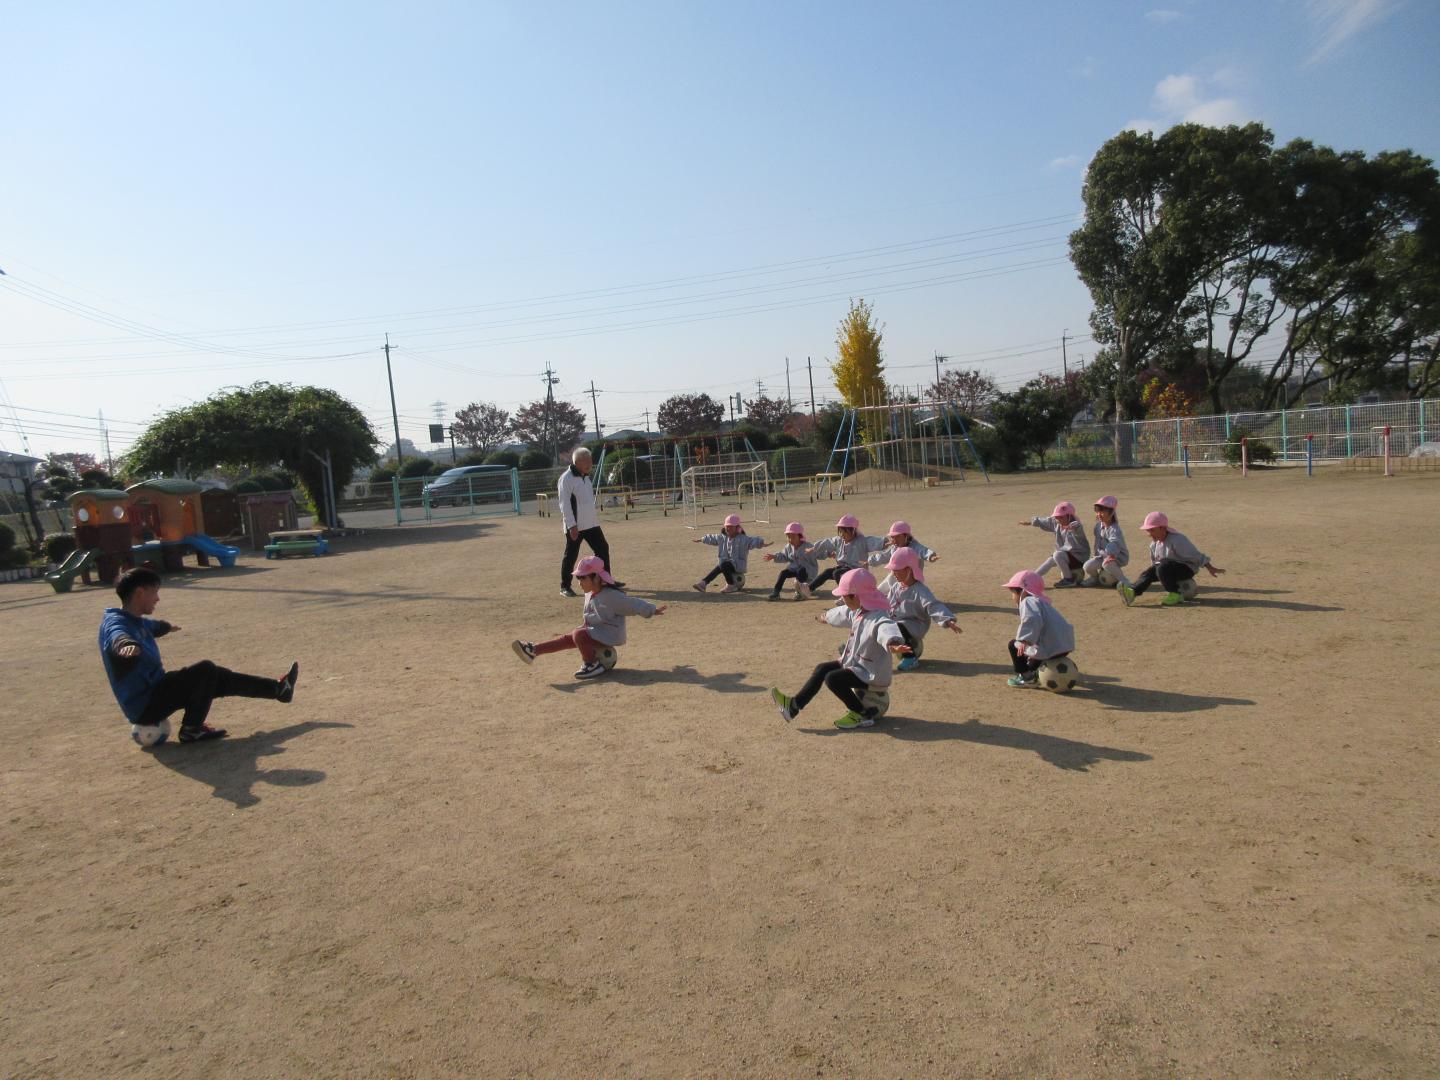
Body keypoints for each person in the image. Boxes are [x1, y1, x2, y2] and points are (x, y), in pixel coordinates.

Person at [99, 566, 300, 745]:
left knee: (216, 676)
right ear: (140, 593)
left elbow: (151, 626)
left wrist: (166, 627)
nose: (158, 598)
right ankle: (191, 729)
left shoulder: (134, 619)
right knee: (205, 670)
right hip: (144, 704)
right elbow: (118, 635)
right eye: (155, 592)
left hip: (156, 690)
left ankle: (278, 689)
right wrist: (125, 645)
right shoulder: (116, 623)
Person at [768, 568, 907, 730]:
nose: (842, 599)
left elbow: (886, 627)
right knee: (822, 669)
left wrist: (892, 642)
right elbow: (842, 613)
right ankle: (793, 706)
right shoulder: (859, 609)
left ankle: (862, 714)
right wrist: (825, 617)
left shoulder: (878, 617)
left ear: (856, 596)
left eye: (844, 596)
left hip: (871, 674)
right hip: (857, 666)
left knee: (833, 679)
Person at [512, 555, 666, 680]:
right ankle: (534, 651)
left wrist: (651, 610)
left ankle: (592, 664)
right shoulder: (590, 593)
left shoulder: (611, 596)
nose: (579, 583)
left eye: (583, 578)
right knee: (571, 637)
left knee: (578, 634)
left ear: (597, 578)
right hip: (597, 631)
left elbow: (632, 603)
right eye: (578, 578)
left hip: (610, 634)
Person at [1119, 511, 1226, 607]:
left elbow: (1196, 555)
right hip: (1166, 569)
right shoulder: (1153, 545)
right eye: (1148, 530)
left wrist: (1210, 568)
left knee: (1162, 564)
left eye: (1152, 530)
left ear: (1162, 528)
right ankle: (1132, 592)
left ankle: (1176, 594)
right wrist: (1156, 574)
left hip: (1186, 569)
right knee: (1149, 572)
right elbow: (1155, 566)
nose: (1149, 534)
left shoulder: (1177, 540)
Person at [879, 547, 961, 671]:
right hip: (897, 621)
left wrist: (947, 620)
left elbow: (933, 605)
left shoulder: (920, 590)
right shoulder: (896, 586)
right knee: (880, 625)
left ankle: (911, 658)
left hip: (916, 623)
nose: (893, 574)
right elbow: (887, 603)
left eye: (897, 570)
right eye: (893, 570)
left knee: (898, 627)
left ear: (909, 570)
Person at [558, 447, 622, 598]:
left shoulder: (585, 477)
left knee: (602, 548)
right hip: (575, 526)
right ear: (577, 462)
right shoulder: (566, 478)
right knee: (571, 555)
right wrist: (572, 525)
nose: (590, 464)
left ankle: (606, 581)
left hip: (591, 524)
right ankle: (565, 586)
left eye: (590, 460)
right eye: (586, 461)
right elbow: (564, 505)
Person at [1002, 570, 1075, 687]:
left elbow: (1032, 619)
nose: (1012, 597)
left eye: (1013, 593)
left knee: (1014, 645)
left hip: (1050, 648)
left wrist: (1025, 640)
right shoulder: (1041, 602)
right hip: (1064, 645)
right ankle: (1033, 671)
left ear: (1022, 591)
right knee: (1034, 650)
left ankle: (1026, 677)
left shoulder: (1028, 601)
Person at [691, 514, 770, 594]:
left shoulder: (743, 539)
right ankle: (703, 583)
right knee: (720, 566)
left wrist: (761, 543)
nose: (728, 528)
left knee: (723, 565)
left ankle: (731, 585)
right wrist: (702, 539)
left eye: (731, 527)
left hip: (738, 565)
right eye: (727, 526)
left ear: (737, 528)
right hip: (726, 564)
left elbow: (752, 541)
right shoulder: (722, 537)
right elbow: (712, 538)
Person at [1019, 501, 1091, 587]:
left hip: (1079, 557)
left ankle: (1069, 580)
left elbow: (1077, 528)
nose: (1058, 519)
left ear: (1070, 516)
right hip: (1065, 555)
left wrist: (1074, 527)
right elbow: (1045, 521)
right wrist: (1031, 522)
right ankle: (1031, 579)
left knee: (1057, 554)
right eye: (1056, 517)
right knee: (1051, 560)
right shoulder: (1056, 523)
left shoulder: (1076, 526)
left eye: (1061, 517)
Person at [810, 514, 883, 591]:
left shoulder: (861, 541)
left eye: (845, 532)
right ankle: (808, 589)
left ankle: (847, 593)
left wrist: (884, 542)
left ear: (853, 531)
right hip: (843, 568)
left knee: (837, 573)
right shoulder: (839, 540)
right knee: (827, 572)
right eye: (840, 532)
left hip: (857, 571)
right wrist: (814, 547)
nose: (842, 535)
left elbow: (874, 541)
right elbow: (827, 542)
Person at [1081, 495, 1131, 588]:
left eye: (1102, 511)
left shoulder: (1115, 529)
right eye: (1097, 511)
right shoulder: (1098, 526)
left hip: (1116, 556)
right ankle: (1094, 578)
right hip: (1102, 555)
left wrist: (1111, 554)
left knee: (1107, 564)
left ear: (1111, 512)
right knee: (1087, 566)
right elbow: (1098, 542)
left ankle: (1125, 582)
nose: (1099, 514)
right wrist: (1096, 554)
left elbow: (1114, 543)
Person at [763, 521, 819, 601]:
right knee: (783, 573)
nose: (790, 539)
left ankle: (800, 593)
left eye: (793, 537)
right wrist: (774, 556)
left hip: (808, 571)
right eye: (788, 537)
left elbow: (818, 552)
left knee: (801, 570)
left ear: (800, 536)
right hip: (795, 569)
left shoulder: (808, 546)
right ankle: (776, 592)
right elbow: (783, 555)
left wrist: (829, 554)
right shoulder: (788, 547)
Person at [868, 520, 939, 567]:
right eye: (892, 537)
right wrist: (869, 561)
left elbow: (923, 550)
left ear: (906, 536)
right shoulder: (894, 548)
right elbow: (884, 556)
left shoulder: (914, 547)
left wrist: (930, 556)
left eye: (898, 537)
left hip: (912, 579)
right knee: (882, 586)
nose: (894, 540)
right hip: (897, 576)